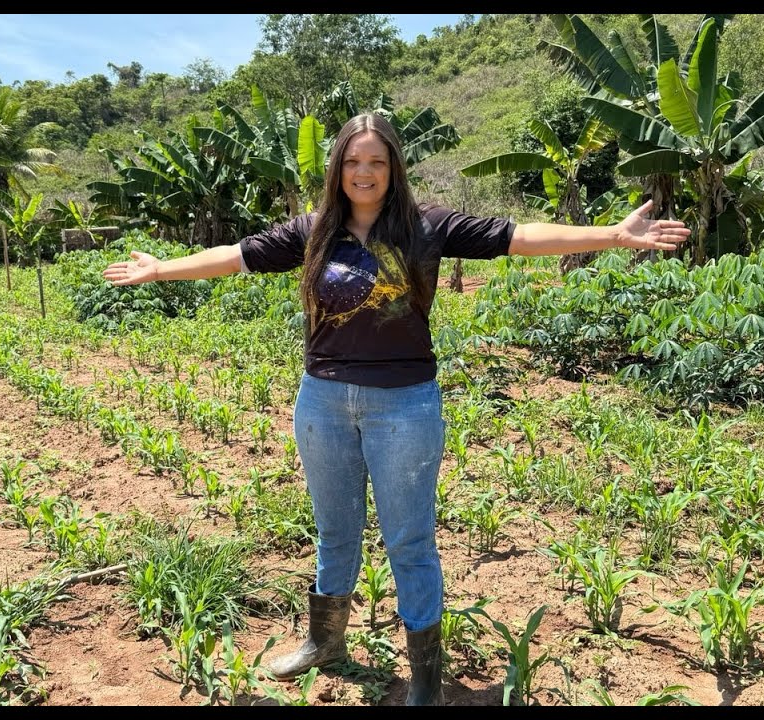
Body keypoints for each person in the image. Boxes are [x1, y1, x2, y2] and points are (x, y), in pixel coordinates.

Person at [103, 112, 689, 705]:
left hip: (405, 406)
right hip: (324, 400)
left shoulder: (427, 225)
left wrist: (613, 235)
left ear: (393, 168)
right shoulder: (314, 231)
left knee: (409, 541)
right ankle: (325, 643)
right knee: (334, 533)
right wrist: (160, 270)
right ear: (337, 169)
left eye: (376, 162)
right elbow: (236, 255)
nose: (364, 172)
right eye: (353, 161)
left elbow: (517, 235)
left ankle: (427, 683)